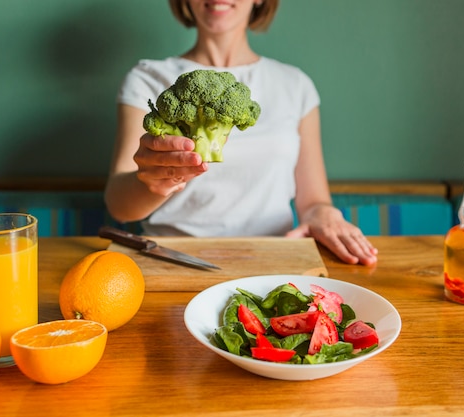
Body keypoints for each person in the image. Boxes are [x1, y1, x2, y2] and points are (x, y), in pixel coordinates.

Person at [104, 0, 378, 266]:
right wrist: (155, 182)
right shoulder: (147, 78)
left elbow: (314, 201)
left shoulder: (295, 85)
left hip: (269, 260)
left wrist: (324, 215)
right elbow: (119, 206)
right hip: (171, 259)